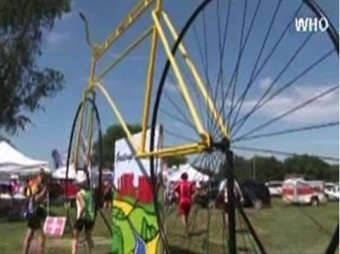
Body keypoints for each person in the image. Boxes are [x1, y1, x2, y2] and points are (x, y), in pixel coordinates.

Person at [23, 169, 48, 254]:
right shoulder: (36, 184)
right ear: (39, 175)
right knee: (41, 237)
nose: (43, 178)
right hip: (33, 212)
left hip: (30, 211)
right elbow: (36, 198)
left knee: (29, 235)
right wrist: (45, 189)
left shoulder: (32, 183)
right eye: (42, 176)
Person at [72, 171, 95, 254]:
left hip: (82, 218)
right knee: (88, 237)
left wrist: (79, 217)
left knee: (75, 238)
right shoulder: (90, 193)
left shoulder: (79, 194)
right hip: (90, 218)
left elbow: (83, 206)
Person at [173, 172, 197, 237]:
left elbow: (174, 190)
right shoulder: (190, 183)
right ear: (187, 177)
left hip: (182, 201)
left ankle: (186, 231)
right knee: (187, 217)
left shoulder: (179, 183)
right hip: (189, 201)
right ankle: (187, 231)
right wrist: (192, 197)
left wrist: (177, 196)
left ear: (181, 177)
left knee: (183, 217)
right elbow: (196, 192)